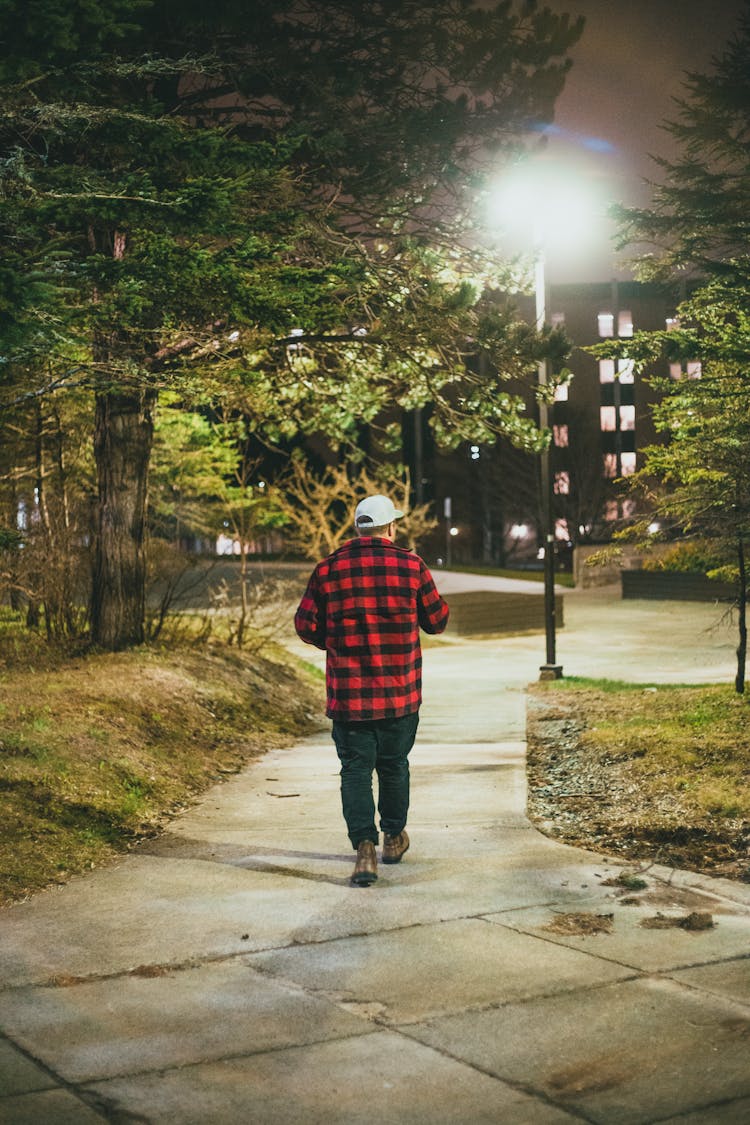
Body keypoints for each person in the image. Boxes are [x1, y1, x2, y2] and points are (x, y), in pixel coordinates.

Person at [294, 493, 450, 887]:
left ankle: (364, 849)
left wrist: (334, 639)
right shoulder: (411, 566)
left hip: (349, 697)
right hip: (399, 694)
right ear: (390, 528)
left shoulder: (328, 570)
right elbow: (437, 620)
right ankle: (394, 838)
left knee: (355, 770)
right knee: (394, 766)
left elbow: (304, 624)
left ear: (357, 527)